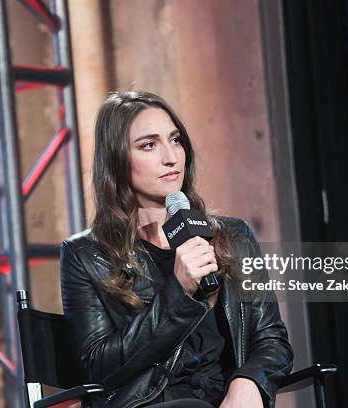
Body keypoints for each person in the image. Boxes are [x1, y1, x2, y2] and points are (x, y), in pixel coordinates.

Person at [61, 91, 293, 408]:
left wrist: (249, 382)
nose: (171, 157)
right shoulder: (87, 255)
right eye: (149, 145)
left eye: (175, 140)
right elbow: (100, 369)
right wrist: (179, 293)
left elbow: (271, 339)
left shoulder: (232, 236)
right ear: (116, 160)